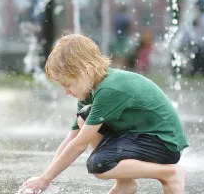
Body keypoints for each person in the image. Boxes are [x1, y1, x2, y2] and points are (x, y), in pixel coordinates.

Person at [18, 34, 188, 194]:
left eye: (67, 84)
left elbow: (79, 144)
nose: (65, 92)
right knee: (84, 116)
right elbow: (72, 139)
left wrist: (45, 179)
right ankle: (125, 183)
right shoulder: (89, 92)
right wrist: (45, 177)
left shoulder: (108, 90)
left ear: (86, 72)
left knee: (99, 165)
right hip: (142, 136)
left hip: (164, 143)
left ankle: (169, 173)